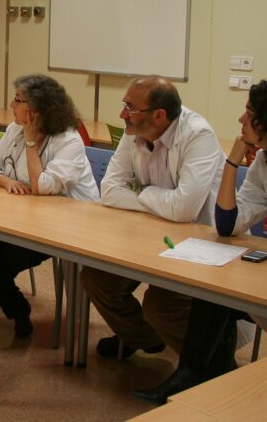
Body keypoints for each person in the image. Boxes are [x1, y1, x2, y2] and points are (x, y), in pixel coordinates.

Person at [132, 79, 267, 404]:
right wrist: (231, 163)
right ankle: (192, 377)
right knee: (216, 286)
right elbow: (227, 225)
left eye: (249, 113)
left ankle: (206, 379)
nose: (240, 120)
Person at [80, 76, 225, 358]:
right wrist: (158, 200)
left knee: (159, 305)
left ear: (159, 116)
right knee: (96, 280)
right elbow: (109, 191)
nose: (123, 114)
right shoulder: (134, 129)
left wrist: (142, 193)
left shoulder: (198, 135)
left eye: (130, 107)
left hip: (198, 244)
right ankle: (143, 337)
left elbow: (185, 211)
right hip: (146, 233)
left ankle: (209, 366)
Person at [0, 74, 99, 337]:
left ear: (39, 109)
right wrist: (5, 181)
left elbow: (43, 186)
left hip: (66, 230)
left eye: (18, 100)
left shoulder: (69, 141)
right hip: (28, 219)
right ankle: (19, 310)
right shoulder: (13, 131)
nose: (11, 104)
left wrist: (31, 141)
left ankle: (17, 308)